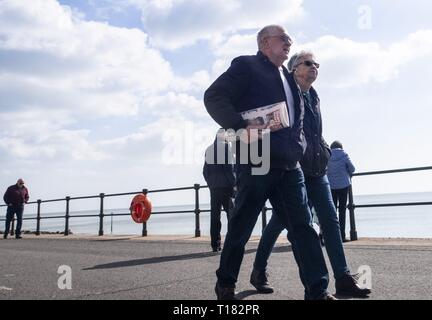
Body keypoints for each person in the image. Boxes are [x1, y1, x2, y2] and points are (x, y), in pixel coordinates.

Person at [204, 25, 334, 300]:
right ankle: (226, 284)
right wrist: (239, 125)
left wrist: (298, 147)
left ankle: (317, 290)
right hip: (257, 161)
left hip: (289, 167)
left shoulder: (288, 77)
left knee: (304, 228)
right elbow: (213, 97)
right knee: (241, 227)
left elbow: (296, 118)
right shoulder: (247, 66)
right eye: (283, 39)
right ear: (265, 43)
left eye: (290, 40)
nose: (289, 43)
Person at [250, 51, 370, 298]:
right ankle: (259, 270)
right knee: (278, 224)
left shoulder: (314, 96)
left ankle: (343, 278)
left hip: (318, 170)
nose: (315, 67)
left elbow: (315, 132)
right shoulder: (287, 94)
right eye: (308, 63)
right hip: (294, 171)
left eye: (317, 64)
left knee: (331, 221)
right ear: (294, 69)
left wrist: (324, 150)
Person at [203, 131, 235, 252]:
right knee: (231, 216)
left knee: (215, 217)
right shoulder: (227, 148)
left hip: (214, 188)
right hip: (227, 188)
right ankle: (231, 244)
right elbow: (229, 169)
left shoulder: (209, 149)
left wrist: (210, 184)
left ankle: (215, 245)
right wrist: (235, 185)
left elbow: (205, 171)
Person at [327, 141, 356, 242]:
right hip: (344, 186)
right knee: (342, 211)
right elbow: (352, 169)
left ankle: (333, 236)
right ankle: (342, 236)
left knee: (332, 212)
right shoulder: (344, 155)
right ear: (341, 147)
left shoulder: (328, 155)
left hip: (331, 186)